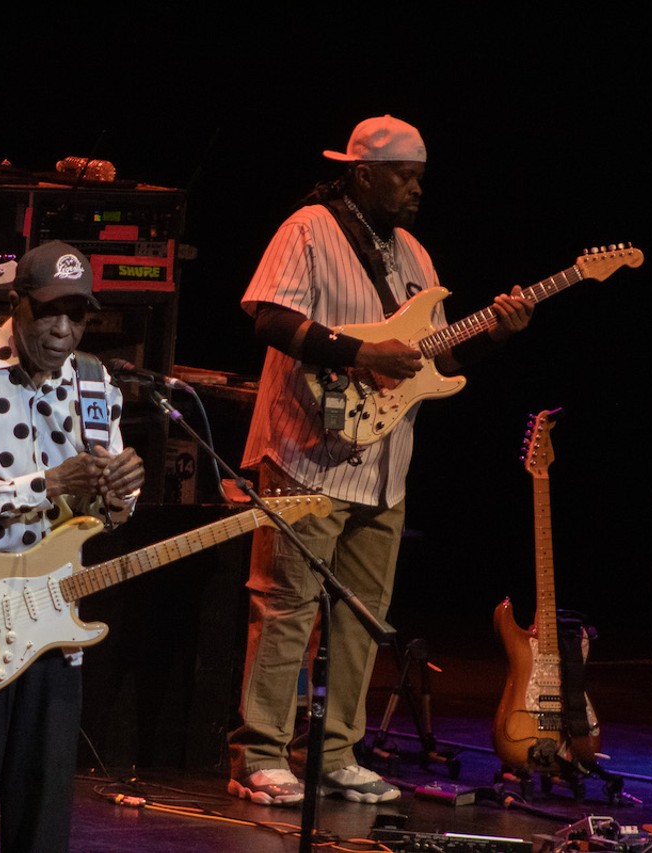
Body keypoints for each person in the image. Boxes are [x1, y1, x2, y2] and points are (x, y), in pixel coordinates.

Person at [226, 115, 534, 806]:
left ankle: (333, 751)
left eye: (421, 178)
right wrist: (362, 352)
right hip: (306, 453)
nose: (416, 190)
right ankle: (259, 754)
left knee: (363, 614)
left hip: (382, 466)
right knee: (285, 607)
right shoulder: (307, 229)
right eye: (403, 177)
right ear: (363, 174)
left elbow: (432, 362)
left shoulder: (415, 258)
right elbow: (269, 317)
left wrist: (493, 335)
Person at [0, 240, 146, 852]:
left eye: (78, 316)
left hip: (52, 616)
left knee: (43, 804)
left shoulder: (95, 384)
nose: (64, 331)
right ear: (16, 306)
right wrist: (46, 484)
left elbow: (99, 512)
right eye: (49, 313)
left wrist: (119, 497)